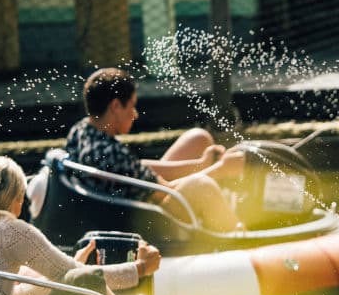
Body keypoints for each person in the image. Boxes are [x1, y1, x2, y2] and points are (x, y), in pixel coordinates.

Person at [0, 155, 160, 295]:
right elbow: (81, 277)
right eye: (21, 199)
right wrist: (139, 268)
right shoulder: (8, 229)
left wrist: (65, 274)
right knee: (87, 280)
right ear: (15, 198)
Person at [66, 67, 246, 232]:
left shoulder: (82, 131)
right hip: (145, 222)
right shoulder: (113, 156)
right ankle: (237, 235)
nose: (135, 114)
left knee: (198, 139)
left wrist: (200, 164)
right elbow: (167, 191)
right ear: (115, 106)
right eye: (131, 106)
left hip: (126, 202)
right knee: (201, 187)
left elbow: (137, 168)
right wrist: (220, 170)